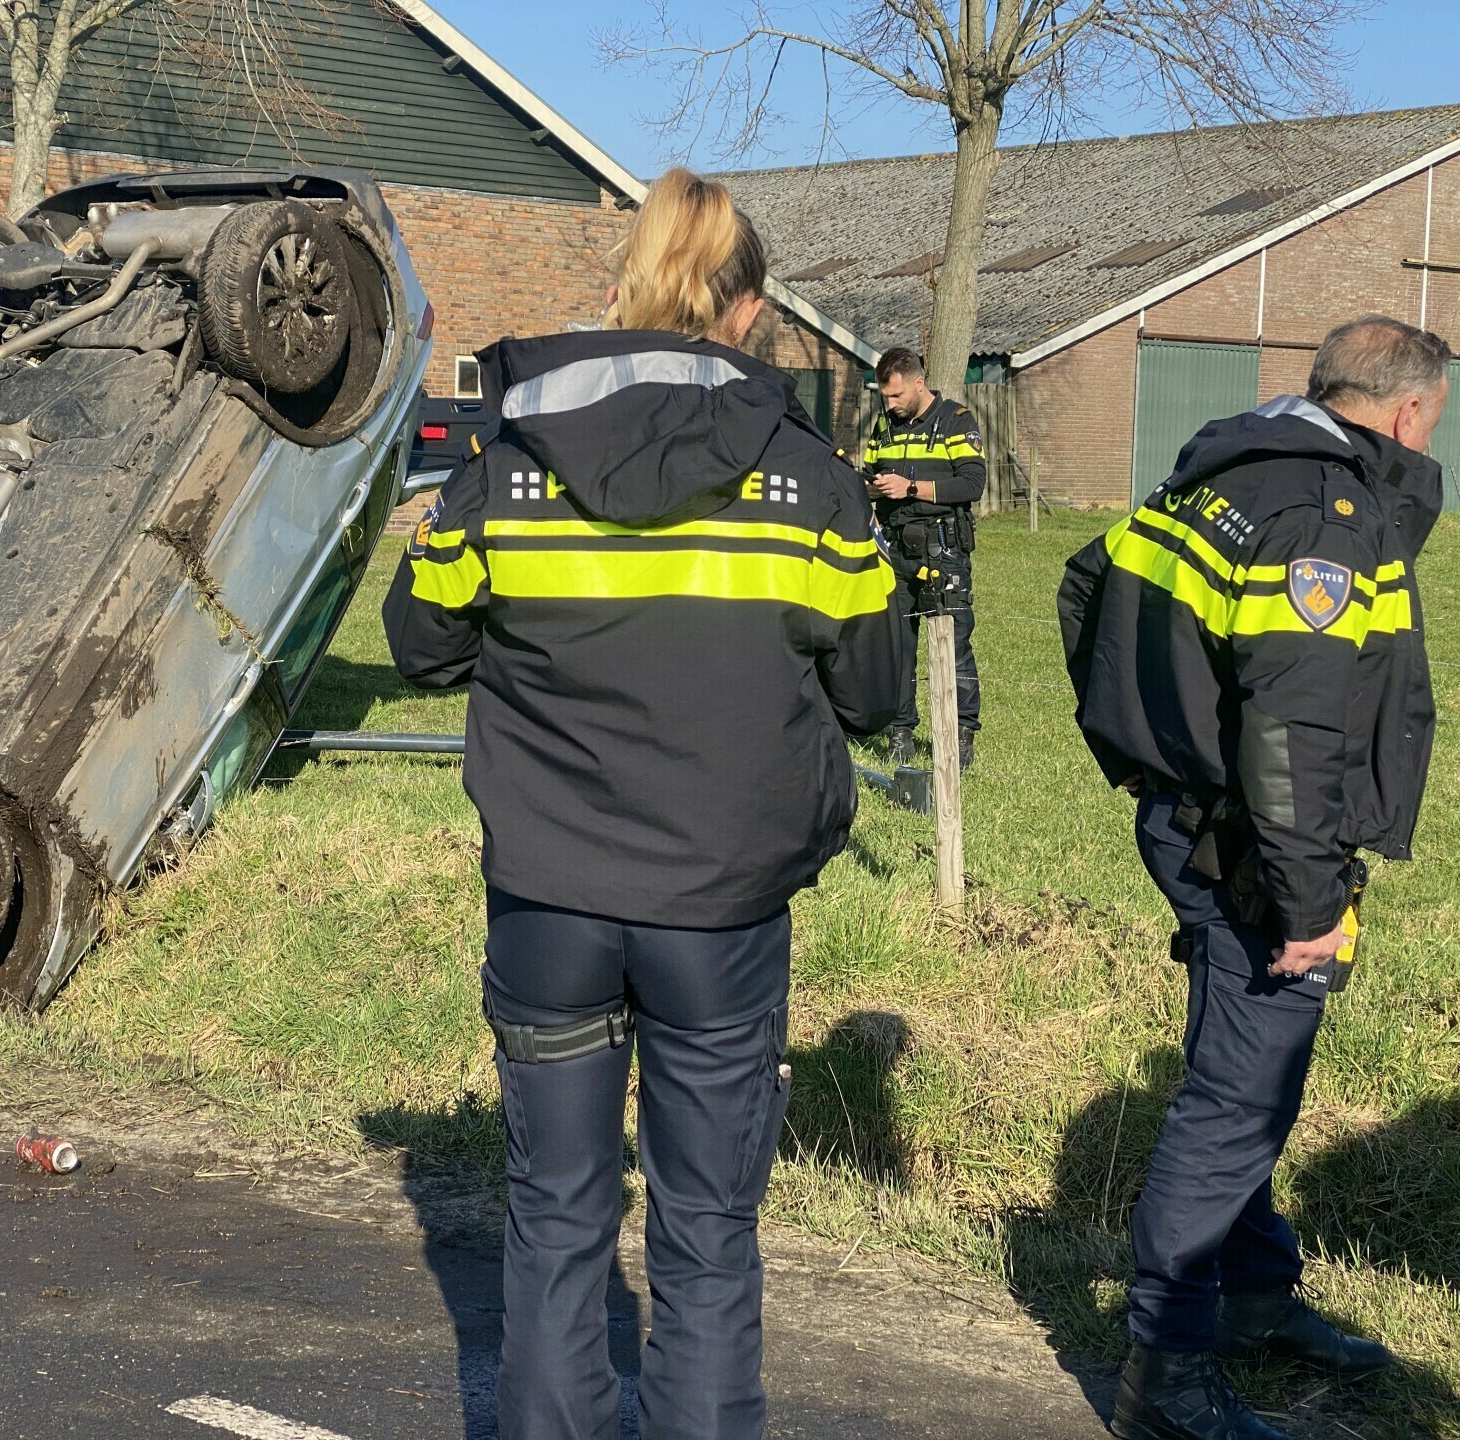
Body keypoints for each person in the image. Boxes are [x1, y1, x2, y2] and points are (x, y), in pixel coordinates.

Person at [382, 168, 904, 1440]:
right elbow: (876, 689)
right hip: (719, 914)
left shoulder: (506, 468)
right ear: (747, 311)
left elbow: (419, 642)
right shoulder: (809, 481)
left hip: (550, 902)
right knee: (708, 1234)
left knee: (554, 1216)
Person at [1057, 315, 1448, 1440]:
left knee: (1242, 1064)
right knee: (1237, 1099)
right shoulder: (1324, 516)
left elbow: (1082, 590)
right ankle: (1164, 1374)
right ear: (1412, 411)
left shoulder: (1216, 470)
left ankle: (1256, 1298)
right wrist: (1311, 901)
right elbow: (1293, 730)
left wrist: (1145, 747)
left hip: (1192, 822)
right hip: (1258, 853)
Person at [863, 345, 986, 767]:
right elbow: (868, 477)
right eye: (885, 396)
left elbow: (972, 484)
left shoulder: (956, 421)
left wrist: (912, 488)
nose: (890, 403)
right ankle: (900, 732)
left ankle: (961, 734)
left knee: (952, 641)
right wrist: (873, 489)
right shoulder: (883, 425)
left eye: (896, 395)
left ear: (919, 384)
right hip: (893, 548)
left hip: (942, 547)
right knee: (896, 644)